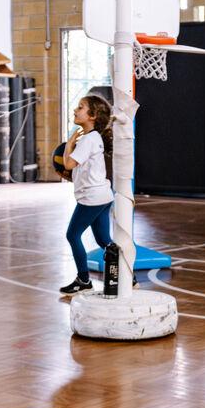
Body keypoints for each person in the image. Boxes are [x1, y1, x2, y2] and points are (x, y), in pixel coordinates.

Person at [58, 95, 115, 296]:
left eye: (80, 108)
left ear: (92, 116)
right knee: (104, 240)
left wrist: (69, 144)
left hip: (92, 199)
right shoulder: (94, 138)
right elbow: (80, 170)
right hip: (103, 196)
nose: (75, 110)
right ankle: (127, 276)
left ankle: (83, 280)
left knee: (72, 235)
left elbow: (69, 164)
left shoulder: (88, 140)